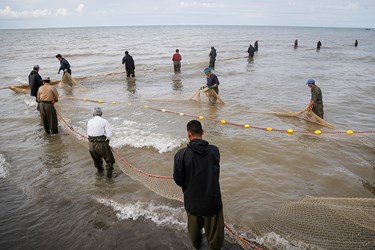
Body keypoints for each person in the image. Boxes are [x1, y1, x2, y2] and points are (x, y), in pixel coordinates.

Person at [173, 120, 224, 250]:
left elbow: (178, 179)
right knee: (215, 242)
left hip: (192, 202)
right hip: (212, 201)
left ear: (189, 134)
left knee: (195, 239)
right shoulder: (214, 151)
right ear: (202, 132)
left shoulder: (181, 154)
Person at [87, 107, 115, 178]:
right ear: (101, 113)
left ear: (93, 113)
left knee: (97, 162)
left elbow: (88, 134)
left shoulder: (89, 121)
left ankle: (99, 176)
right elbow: (109, 135)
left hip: (91, 145)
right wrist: (107, 142)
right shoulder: (104, 121)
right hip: (101, 144)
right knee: (110, 162)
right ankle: (109, 179)